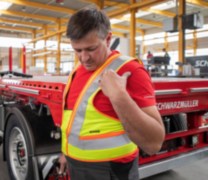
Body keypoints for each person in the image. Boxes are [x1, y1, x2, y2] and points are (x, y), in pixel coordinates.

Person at [58, 7, 165, 180]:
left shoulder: (130, 70)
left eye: (91, 49)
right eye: (77, 50)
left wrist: (119, 96)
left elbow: (154, 143)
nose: (84, 58)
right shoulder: (78, 70)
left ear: (108, 39)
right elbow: (73, 120)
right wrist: (66, 153)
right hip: (77, 166)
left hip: (113, 171)